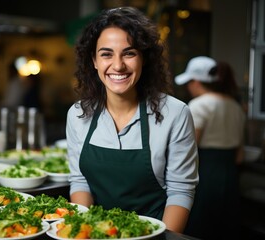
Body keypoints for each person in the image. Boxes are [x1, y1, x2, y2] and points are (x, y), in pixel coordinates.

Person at [66, 7, 199, 233]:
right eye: (106, 54)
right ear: (94, 61)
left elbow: (180, 191)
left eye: (129, 53)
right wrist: (81, 232)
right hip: (98, 233)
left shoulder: (176, 114)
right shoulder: (78, 114)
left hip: (154, 233)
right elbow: (80, 181)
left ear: (144, 59)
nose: (118, 66)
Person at [175, 56, 246, 239]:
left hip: (204, 173)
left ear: (196, 82)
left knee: (200, 227)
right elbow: (239, 155)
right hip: (230, 174)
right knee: (226, 228)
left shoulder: (198, 105)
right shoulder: (235, 106)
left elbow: (189, 148)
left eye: (188, 83)